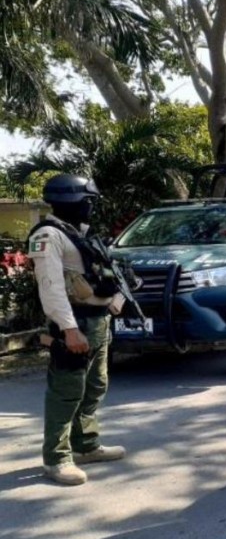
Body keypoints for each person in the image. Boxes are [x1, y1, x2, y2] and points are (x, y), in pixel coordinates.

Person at [28, 174, 127, 486]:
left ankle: (86, 445)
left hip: (98, 320)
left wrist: (115, 298)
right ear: (72, 201)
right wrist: (69, 329)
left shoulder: (81, 234)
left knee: (95, 385)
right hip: (73, 322)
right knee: (66, 391)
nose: (91, 207)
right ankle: (56, 458)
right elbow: (51, 287)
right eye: (88, 201)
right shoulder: (47, 235)